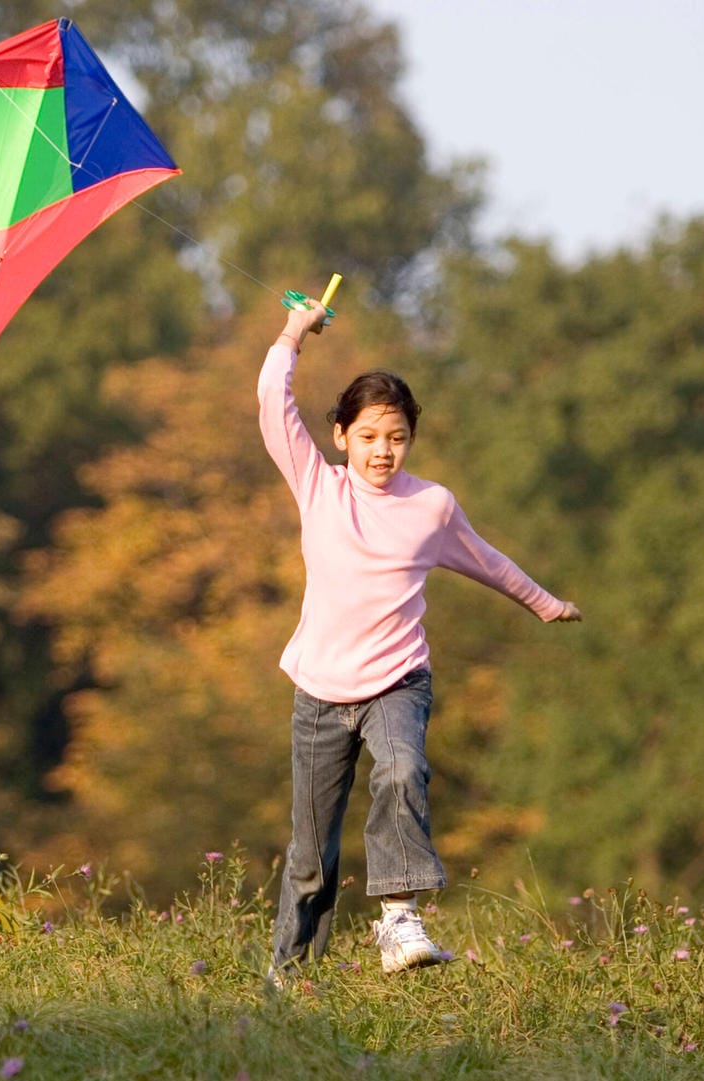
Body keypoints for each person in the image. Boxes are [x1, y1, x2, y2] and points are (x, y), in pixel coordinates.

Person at [260, 294, 580, 980]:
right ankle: (289, 978)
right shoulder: (318, 486)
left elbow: (486, 559)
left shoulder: (430, 505)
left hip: (397, 680)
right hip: (319, 691)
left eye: (397, 436)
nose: (384, 450)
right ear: (342, 435)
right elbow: (271, 400)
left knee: (403, 768)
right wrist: (295, 331)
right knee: (311, 857)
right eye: (370, 435)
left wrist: (544, 602)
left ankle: (399, 918)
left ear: (411, 439)